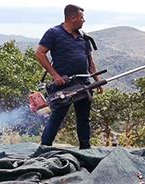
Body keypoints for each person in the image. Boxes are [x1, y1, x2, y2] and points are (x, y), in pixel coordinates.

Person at [34, 4, 102, 150]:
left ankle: (85, 150)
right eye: (81, 18)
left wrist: (97, 81)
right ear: (72, 18)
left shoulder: (83, 37)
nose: (84, 21)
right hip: (63, 85)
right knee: (57, 117)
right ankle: (44, 148)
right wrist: (55, 76)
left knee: (84, 119)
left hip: (84, 84)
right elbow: (39, 53)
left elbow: (90, 61)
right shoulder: (54, 33)